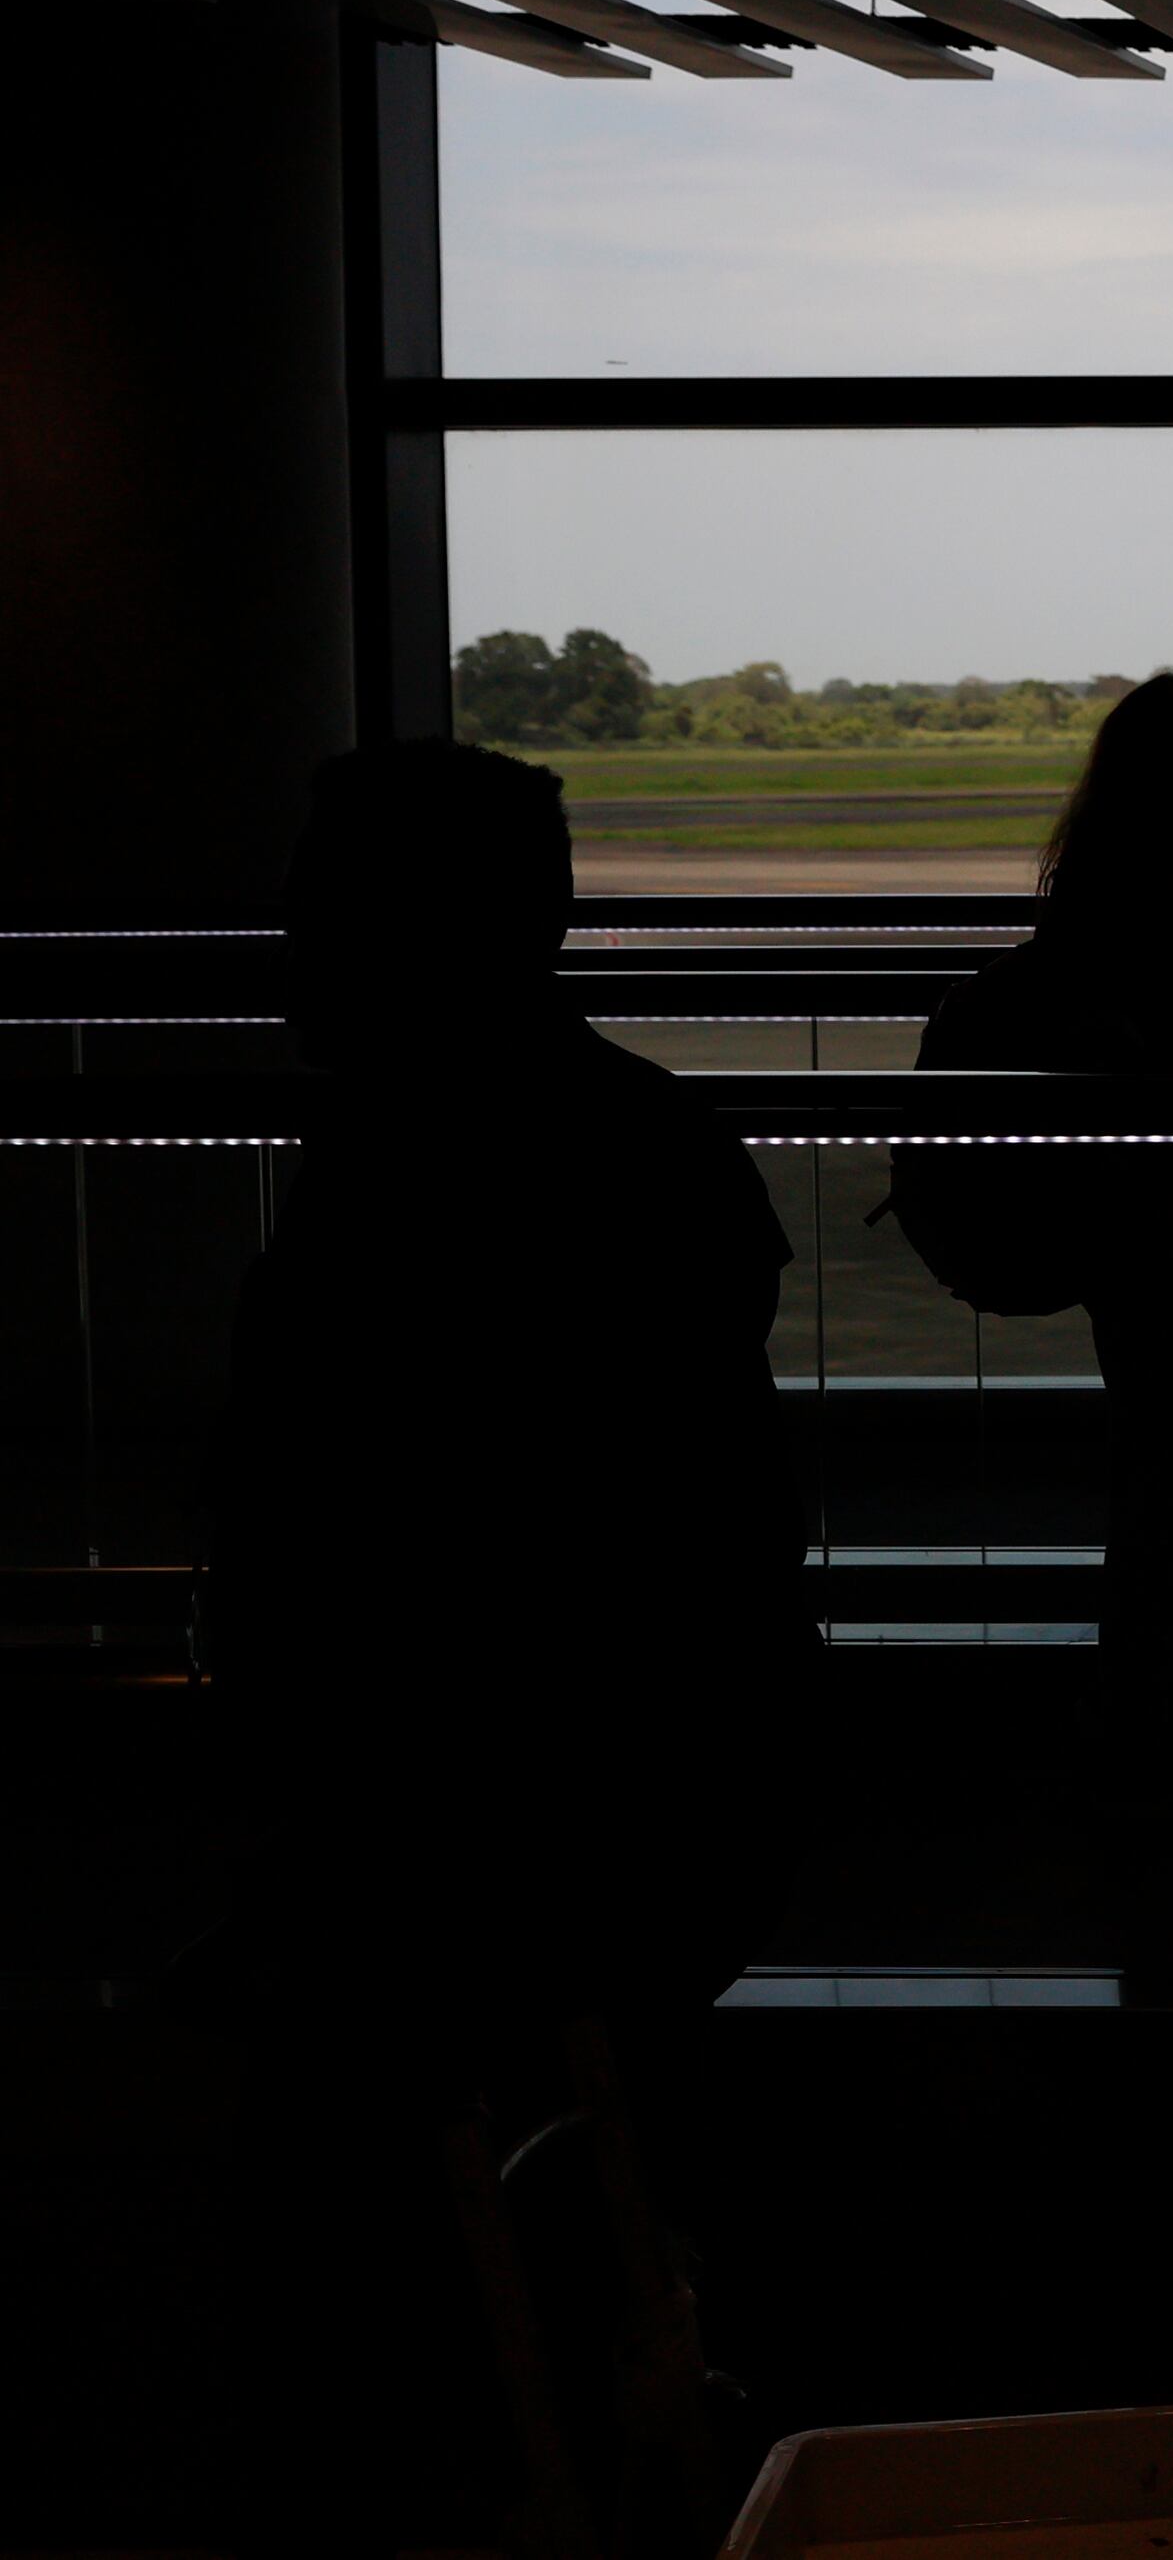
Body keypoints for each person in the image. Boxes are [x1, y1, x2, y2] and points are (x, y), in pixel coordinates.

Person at [190, 742, 816, 2552]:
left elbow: (369, 1574)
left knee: (319, 2247)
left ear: (407, 936)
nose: (290, 951)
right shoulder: (650, 1150)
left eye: (319, 913)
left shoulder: (391, 1180)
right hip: (645, 1822)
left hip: (486, 1847)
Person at [909, 671, 1173, 1674]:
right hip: (1164, 1238)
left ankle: (1138, 1690)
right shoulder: (1135, 924)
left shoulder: (1155, 900)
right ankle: (1138, 1686)